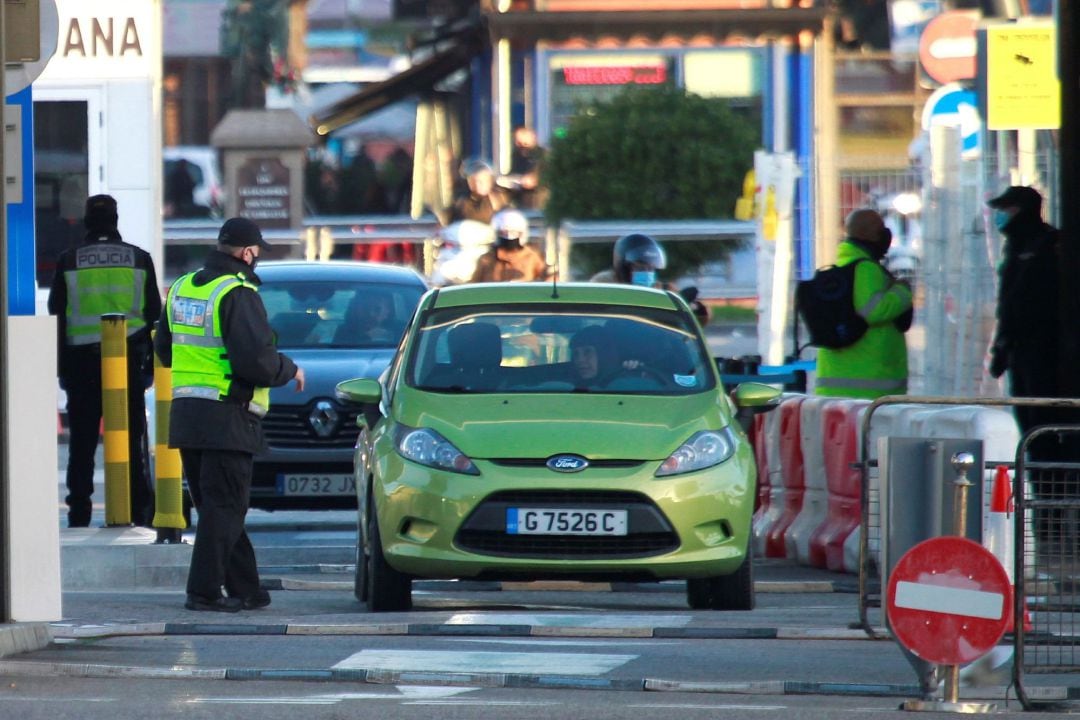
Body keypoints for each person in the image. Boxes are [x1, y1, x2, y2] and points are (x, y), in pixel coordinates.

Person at [155, 217, 305, 612]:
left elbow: (165, 352)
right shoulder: (237, 293)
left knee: (219, 507)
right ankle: (202, 592)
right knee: (225, 506)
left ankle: (247, 589)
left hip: (187, 414)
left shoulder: (184, 287)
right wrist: (289, 369)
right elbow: (256, 362)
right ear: (247, 252)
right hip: (228, 414)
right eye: (256, 252)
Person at [48, 194, 162, 528]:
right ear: (115, 221)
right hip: (129, 365)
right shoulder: (139, 259)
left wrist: (61, 369)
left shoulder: (69, 260)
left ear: (86, 221)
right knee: (132, 442)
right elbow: (153, 313)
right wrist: (150, 368)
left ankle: (79, 513)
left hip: (81, 367)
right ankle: (139, 512)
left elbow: (57, 314)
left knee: (82, 447)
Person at [986, 185, 1074, 554]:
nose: (1000, 216)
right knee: (1031, 437)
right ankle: (1045, 517)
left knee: (1051, 438)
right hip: (1022, 360)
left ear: (1022, 209)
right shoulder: (1016, 249)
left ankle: (1056, 515)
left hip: (1049, 362)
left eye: (1005, 208)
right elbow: (1010, 306)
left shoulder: (1052, 247)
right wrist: (1002, 347)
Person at [814, 208, 913, 399]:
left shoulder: (843, 267)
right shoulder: (865, 268)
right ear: (868, 233)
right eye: (880, 228)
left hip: (841, 383)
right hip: (868, 387)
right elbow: (874, 311)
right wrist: (903, 291)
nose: (885, 234)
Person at [470, 209, 551, 283]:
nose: (509, 237)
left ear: (521, 234)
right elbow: (473, 287)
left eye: (514, 232)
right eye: (504, 233)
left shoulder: (532, 258)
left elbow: (547, 280)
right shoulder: (487, 259)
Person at [590, 233, 668, 286]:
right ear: (624, 268)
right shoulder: (604, 283)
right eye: (640, 268)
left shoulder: (656, 292)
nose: (646, 273)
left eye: (651, 269)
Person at [449, 159, 508, 224]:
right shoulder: (462, 202)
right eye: (478, 181)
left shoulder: (498, 199)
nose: (481, 184)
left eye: (485, 180)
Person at [506, 126, 547, 210]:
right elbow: (514, 172)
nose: (519, 144)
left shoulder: (543, 155)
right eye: (517, 141)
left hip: (539, 200)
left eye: (523, 141)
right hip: (520, 200)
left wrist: (536, 180)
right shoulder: (516, 155)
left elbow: (551, 176)